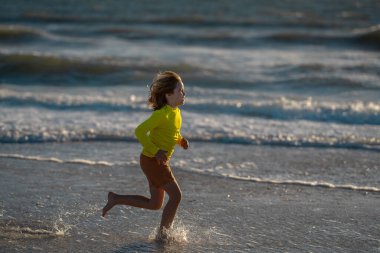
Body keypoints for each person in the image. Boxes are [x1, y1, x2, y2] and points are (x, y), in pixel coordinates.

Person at [102, 71, 189, 239]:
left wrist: (180, 140)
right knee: (176, 196)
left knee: (155, 204)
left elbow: (170, 132)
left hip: (155, 160)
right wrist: (156, 151)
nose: (183, 93)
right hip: (152, 160)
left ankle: (116, 199)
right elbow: (140, 131)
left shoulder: (176, 112)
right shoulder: (161, 114)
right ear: (168, 94)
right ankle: (163, 234)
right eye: (180, 91)